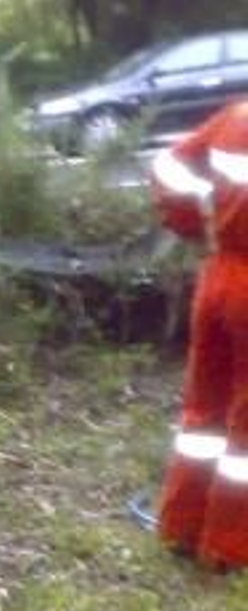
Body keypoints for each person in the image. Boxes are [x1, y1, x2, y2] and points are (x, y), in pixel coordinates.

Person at [150, 100, 248, 571]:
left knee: (205, 410)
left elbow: (167, 164)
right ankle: (230, 547)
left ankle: (181, 526)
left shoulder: (237, 115)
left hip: (218, 277)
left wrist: (198, 212)